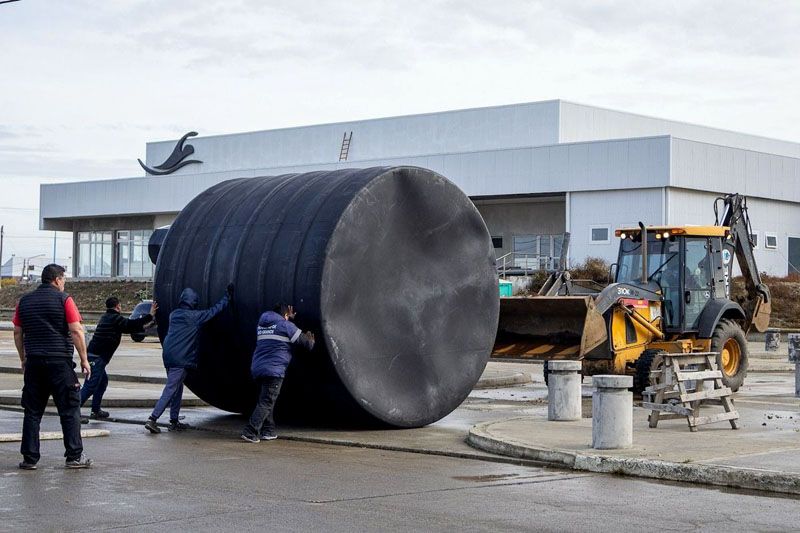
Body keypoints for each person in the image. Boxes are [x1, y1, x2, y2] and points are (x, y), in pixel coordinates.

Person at [12, 264, 92, 469]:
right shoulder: (65, 299)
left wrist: (24, 358)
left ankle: (29, 459)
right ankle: (74, 456)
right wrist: (84, 359)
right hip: (59, 363)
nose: (64, 283)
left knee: (32, 412)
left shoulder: (24, 301)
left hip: (34, 363)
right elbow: (76, 331)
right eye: (63, 279)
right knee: (69, 409)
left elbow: (17, 332)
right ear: (57, 280)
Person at [145, 285, 233, 434]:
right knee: (171, 388)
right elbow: (214, 311)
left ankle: (174, 421)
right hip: (181, 358)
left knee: (177, 388)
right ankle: (152, 419)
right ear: (193, 302)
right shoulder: (195, 317)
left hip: (168, 355)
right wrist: (227, 298)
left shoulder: (174, 314)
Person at [241, 303, 314, 443]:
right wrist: (310, 339)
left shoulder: (262, 325)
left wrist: (287, 318)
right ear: (285, 315)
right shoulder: (286, 326)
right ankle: (250, 431)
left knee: (266, 400)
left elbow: (278, 329)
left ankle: (268, 430)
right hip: (274, 370)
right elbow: (306, 344)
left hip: (258, 368)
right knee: (267, 401)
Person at [80, 297, 157, 421]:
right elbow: (131, 324)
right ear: (118, 306)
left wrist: (146, 326)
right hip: (97, 358)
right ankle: (73, 413)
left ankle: (95, 410)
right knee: (90, 386)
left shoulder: (107, 317)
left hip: (96, 356)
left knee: (102, 383)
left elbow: (127, 328)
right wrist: (150, 315)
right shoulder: (115, 318)